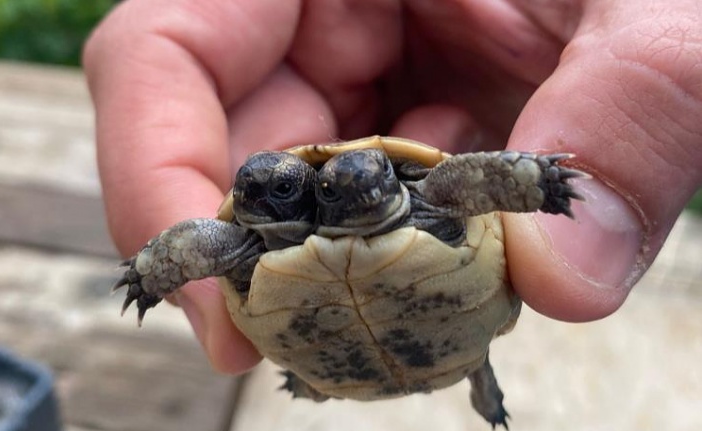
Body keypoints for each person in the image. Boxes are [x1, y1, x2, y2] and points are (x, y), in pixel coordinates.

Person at [83, 0, 702, 374]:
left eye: (363, 183)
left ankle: (479, 377)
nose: (345, 192)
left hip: (434, 330)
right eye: (265, 191)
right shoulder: (248, 240)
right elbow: (195, 240)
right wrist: (154, 268)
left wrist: (538, 181)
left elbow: (462, 179)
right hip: (339, 347)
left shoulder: (433, 196)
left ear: (387, 184)